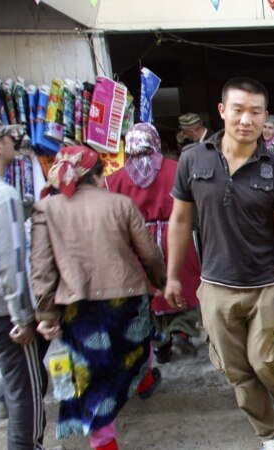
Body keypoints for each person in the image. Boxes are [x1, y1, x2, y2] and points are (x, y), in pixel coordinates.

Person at [163, 78, 274, 450]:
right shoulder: (193, 160)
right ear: (222, 111)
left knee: (263, 360)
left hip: (265, 283)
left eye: (256, 112)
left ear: (264, 118)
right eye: (239, 110)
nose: (247, 119)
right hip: (215, 284)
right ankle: (269, 433)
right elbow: (180, 221)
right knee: (237, 371)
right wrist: (172, 277)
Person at [32, 145, 167, 450]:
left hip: (78, 308)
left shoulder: (46, 209)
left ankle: (104, 443)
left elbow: (42, 266)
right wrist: (160, 282)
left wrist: (47, 314)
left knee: (94, 374)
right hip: (127, 298)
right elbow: (148, 252)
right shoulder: (120, 203)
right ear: (98, 174)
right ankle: (143, 380)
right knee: (137, 344)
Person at [105, 123, 202, 364]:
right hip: (175, 236)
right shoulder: (176, 168)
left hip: (138, 242)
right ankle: (181, 330)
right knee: (184, 283)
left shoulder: (114, 179)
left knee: (149, 291)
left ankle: (159, 341)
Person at [0, 114, 49, 449]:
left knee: (18, 382)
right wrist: (20, 317)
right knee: (27, 390)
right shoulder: (0, 194)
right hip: (1, 310)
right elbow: (7, 263)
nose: (14, 144)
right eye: (9, 139)